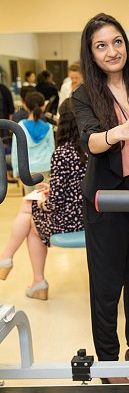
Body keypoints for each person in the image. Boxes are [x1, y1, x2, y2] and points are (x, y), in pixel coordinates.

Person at [72, 12, 129, 385]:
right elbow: (91, 141)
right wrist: (122, 131)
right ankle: (109, 362)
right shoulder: (83, 95)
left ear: (127, 43)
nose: (112, 51)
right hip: (107, 198)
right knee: (106, 286)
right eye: (101, 46)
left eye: (117, 41)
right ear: (91, 54)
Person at [0, 99, 87, 298]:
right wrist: (53, 188)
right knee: (28, 209)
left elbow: (54, 204)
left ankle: (24, 270)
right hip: (89, 215)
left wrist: (44, 202)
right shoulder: (94, 149)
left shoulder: (63, 153)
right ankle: (17, 267)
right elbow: (78, 188)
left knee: (31, 219)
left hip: (70, 222)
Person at [11, 90, 55, 194]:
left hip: (26, 169)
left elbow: (15, 151)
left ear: (25, 106)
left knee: (29, 201)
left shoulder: (19, 126)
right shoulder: (48, 128)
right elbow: (52, 150)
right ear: (43, 106)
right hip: (44, 168)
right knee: (43, 201)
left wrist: (16, 171)